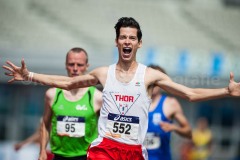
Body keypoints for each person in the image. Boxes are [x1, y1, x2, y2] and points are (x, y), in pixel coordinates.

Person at [2, 17, 240, 160]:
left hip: (134, 150)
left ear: (139, 43)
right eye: (123, 37)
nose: (127, 41)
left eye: (132, 38)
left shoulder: (150, 75)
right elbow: (67, 82)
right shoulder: (103, 73)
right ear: (116, 41)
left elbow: (190, 93)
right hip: (105, 147)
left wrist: (225, 92)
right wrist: (30, 75)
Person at [38, 47, 102, 160]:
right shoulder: (52, 95)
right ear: (65, 65)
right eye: (71, 64)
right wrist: (42, 150)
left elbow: (106, 130)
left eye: (80, 65)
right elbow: (45, 123)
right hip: (59, 156)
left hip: (86, 156)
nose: (75, 69)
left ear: (87, 66)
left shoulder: (97, 97)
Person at [144, 64, 192, 160]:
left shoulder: (170, 104)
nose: (154, 83)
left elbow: (189, 133)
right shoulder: (136, 102)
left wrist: (174, 127)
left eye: (157, 80)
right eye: (151, 79)